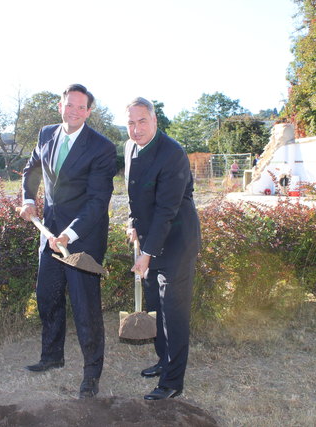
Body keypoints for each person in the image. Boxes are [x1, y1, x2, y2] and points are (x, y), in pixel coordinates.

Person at [19, 84, 117, 399]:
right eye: (68, 105)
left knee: (84, 305)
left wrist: (69, 235)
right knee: (47, 295)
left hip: (82, 236)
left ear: (88, 112)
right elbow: (32, 169)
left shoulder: (101, 148)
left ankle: (91, 375)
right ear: (60, 105)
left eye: (80, 107)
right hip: (49, 230)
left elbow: (97, 201)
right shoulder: (46, 133)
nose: (73, 111)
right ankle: (52, 356)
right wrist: (28, 198)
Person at [124, 97, 201, 400]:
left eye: (142, 121)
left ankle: (172, 382)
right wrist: (132, 222)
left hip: (177, 244)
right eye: (131, 122)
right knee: (156, 306)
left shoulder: (172, 153)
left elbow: (167, 210)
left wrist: (146, 253)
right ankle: (163, 360)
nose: (137, 128)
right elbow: (133, 194)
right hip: (150, 240)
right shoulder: (131, 148)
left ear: (155, 120)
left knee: (173, 313)